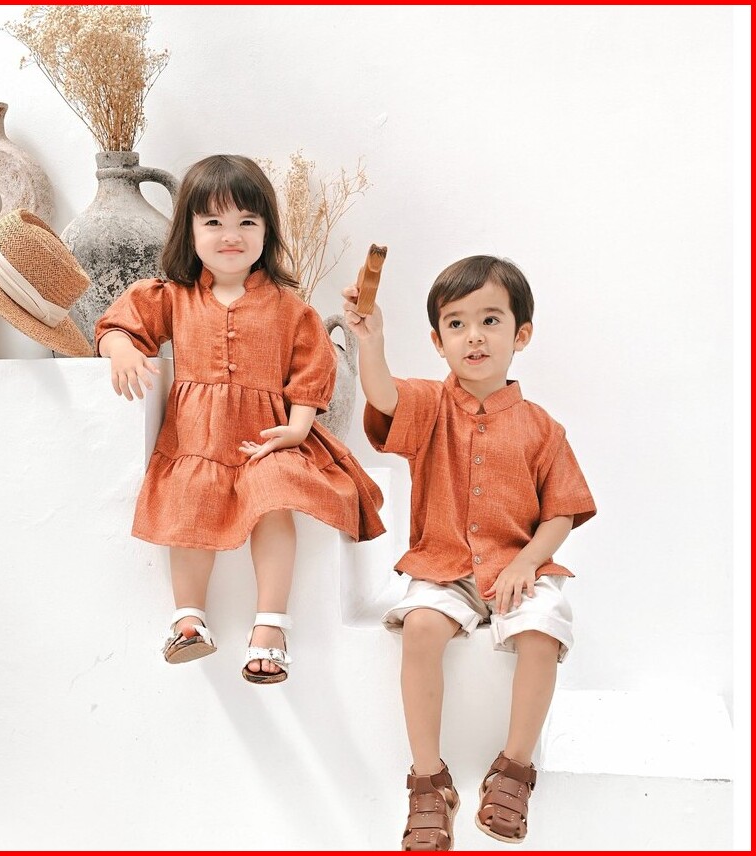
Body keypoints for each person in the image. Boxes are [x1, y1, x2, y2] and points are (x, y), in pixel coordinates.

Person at [96, 154, 384, 685]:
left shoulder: (289, 308)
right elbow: (121, 323)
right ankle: (188, 619)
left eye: (246, 221)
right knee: (188, 500)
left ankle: (271, 624)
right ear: (189, 232)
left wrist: (298, 428)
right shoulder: (174, 297)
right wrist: (120, 349)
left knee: (275, 498)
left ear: (267, 230)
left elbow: (312, 366)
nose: (231, 236)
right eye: (213, 222)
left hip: (266, 441)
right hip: (196, 440)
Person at [342, 256, 596, 847]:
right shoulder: (430, 405)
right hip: (444, 565)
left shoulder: (543, 428)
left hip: (518, 569)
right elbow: (383, 394)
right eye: (456, 324)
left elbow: (562, 510)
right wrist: (371, 341)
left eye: (490, 320)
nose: (473, 336)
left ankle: (513, 770)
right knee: (420, 628)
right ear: (437, 341)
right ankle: (429, 781)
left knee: (543, 632)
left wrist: (528, 560)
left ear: (521, 334)